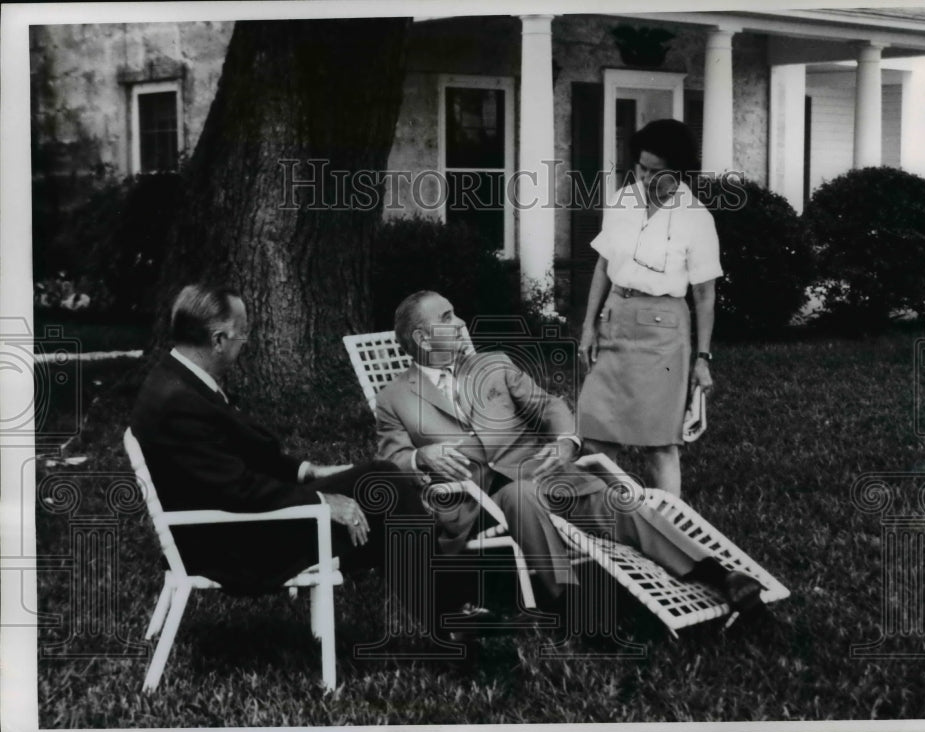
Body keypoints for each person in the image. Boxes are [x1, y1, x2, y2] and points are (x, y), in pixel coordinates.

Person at [375, 290, 763, 624]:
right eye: (447, 317)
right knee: (520, 495)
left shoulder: (493, 365)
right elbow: (389, 460)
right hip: (478, 502)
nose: (460, 322)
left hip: (545, 472)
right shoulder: (394, 397)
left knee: (615, 499)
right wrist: (421, 456)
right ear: (423, 338)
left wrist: (565, 442)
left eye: (455, 312)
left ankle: (718, 575)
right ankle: (569, 602)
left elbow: (550, 406)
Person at [130, 284, 430, 603]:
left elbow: (234, 461)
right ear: (218, 340)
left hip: (227, 524)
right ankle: (450, 609)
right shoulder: (180, 401)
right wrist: (321, 501)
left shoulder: (176, 377)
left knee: (384, 484)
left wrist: (306, 471)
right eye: (242, 334)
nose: (245, 343)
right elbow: (238, 490)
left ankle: (442, 603)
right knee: (388, 488)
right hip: (232, 545)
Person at [578, 119, 720, 499]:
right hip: (614, 321)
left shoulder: (697, 217)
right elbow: (603, 265)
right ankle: (617, 516)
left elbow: (704, 295)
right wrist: (588, 327)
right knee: (594, 435)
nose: (645, 177)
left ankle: (668, 528)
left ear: (679, 171)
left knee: (660, 444)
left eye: (656, 171)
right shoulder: (623, 200)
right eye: (641, 167)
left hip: (663, 334)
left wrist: (702, 358)